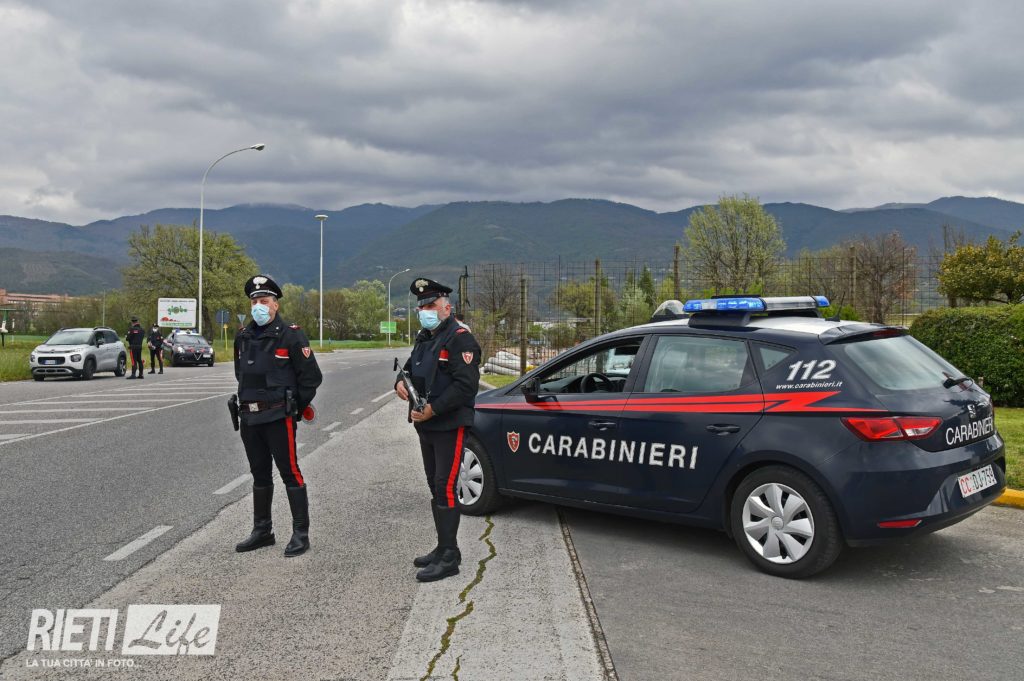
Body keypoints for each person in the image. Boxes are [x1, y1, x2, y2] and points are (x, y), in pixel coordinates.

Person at [394, 278, 481, 582]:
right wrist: (399, 384)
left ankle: (450, 557)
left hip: (448, 424)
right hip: (426, 424)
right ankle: (444, 547)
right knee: (435, 485)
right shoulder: (425, 337)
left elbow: (466, 386)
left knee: (445, 485)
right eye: (422, 307)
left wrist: (435, 408)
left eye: (431, 305)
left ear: (447, 308)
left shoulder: (460, 339)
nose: (425, 311)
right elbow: (409, 370)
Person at [233, 274, 323, 557]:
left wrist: (293, 408)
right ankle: (263, 531)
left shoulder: (291, 335)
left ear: (275, 305)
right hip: (249, 417)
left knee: (290, 472)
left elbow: (311, 378)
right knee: (259, 474)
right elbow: (240, 374)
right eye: (254, 302)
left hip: (278, 417)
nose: (258, 306)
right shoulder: (243, 336)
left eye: (264, 301)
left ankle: (300, 533)